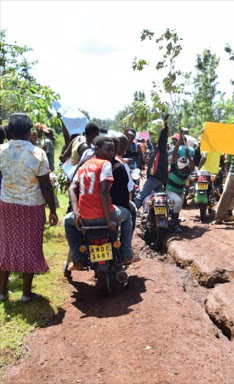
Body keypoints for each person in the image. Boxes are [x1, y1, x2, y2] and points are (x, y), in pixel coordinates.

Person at [0, 113, 58, 302]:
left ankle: (1, 292)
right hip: (31, 206)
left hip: (6, 205)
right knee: (30, 246)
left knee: (5, 245)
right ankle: (26, 293)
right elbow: (46, 186)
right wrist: (53, 210)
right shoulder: (38, 153)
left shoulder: (1, 150)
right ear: (28, 131)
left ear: (9, 131)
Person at [64, 136, 133, 270]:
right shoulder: (105, 164)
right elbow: (104, 192)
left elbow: (72, 188)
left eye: (113, 150)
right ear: (97, 149)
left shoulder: (84, 165)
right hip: (104, 216)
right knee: (128, 215)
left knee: (67, 220)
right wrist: (108, 221)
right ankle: (127, 253)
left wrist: (76, 213)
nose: (111, 153)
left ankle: (77, 259)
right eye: (108, 149)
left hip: (84, 218)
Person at [134, 117, 169, 210]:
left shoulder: (161, 149)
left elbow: (163, 137)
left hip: (155, 177)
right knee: (161, 199)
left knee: (140, 196)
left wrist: (165, 126)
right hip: (159, 179)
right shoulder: (155, 150)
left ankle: (131, 215)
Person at [166, 127, 195, 233]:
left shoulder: (188, 168)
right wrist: (179, 140)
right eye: (181, 168)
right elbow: (174, 154)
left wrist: (188, 156)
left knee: (178, 206)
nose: (182, 170)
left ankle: (175, 221)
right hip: (170, 189)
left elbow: (192, 166)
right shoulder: (174, 165)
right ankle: (174, 225)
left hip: (180, 190)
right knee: (177, 202)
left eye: (184, 168)